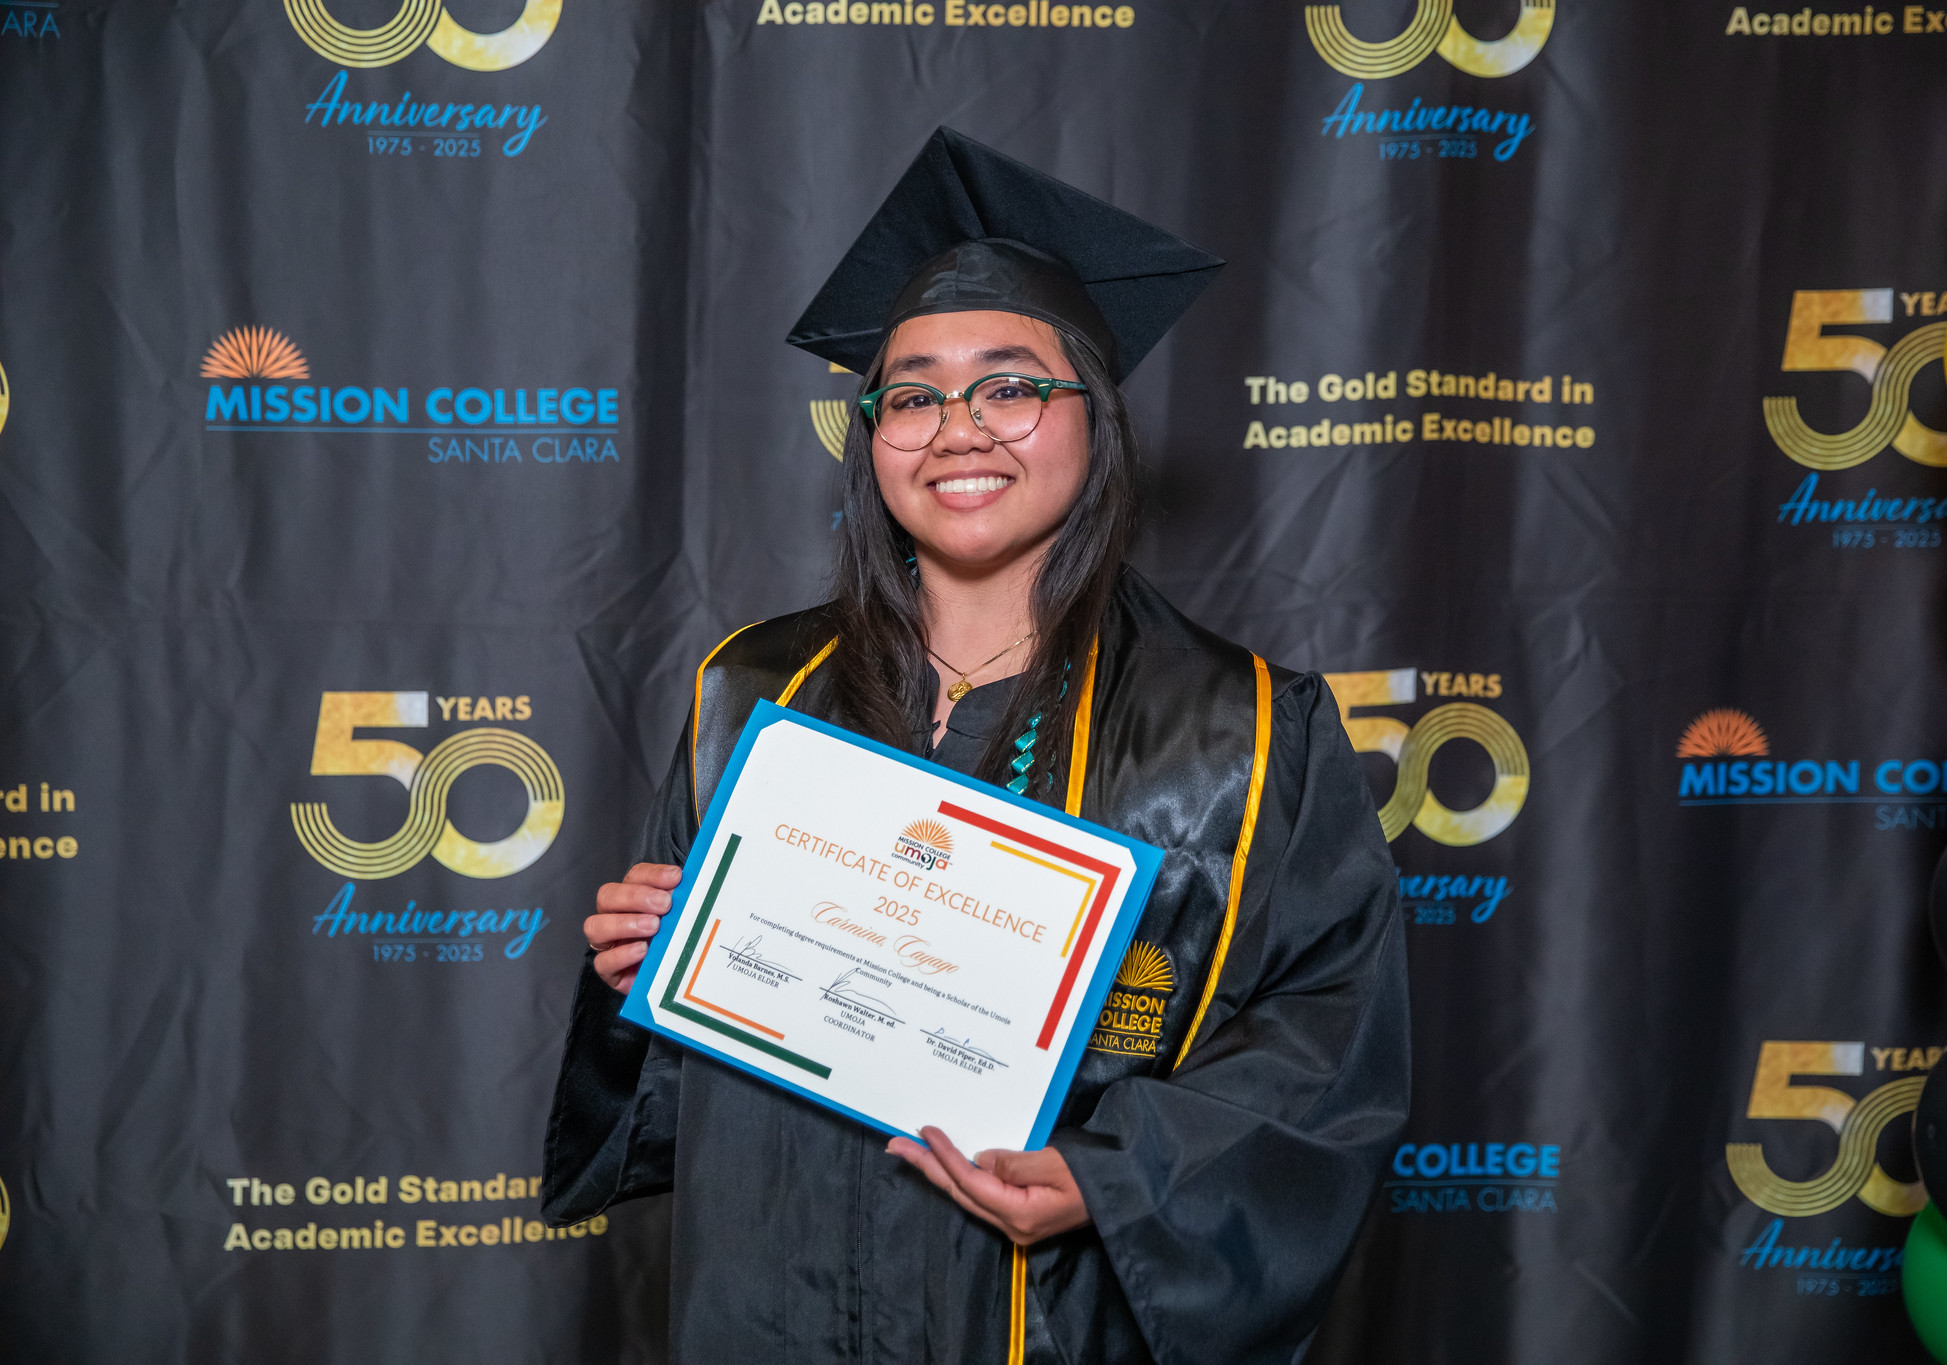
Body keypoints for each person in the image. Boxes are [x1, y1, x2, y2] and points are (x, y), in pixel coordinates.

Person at [544, 127, 1409, 1365]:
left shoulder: (1249, 730)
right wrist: (654, 973)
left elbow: (1326, 1049)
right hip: (764, 1303)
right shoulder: (753, 687)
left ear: (1090, 417)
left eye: (1009, 385)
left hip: (1044, 1319)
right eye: (910, 394)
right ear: (871, 436)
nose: (957, 428)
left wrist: (1112, 1180)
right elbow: (688, 1077)